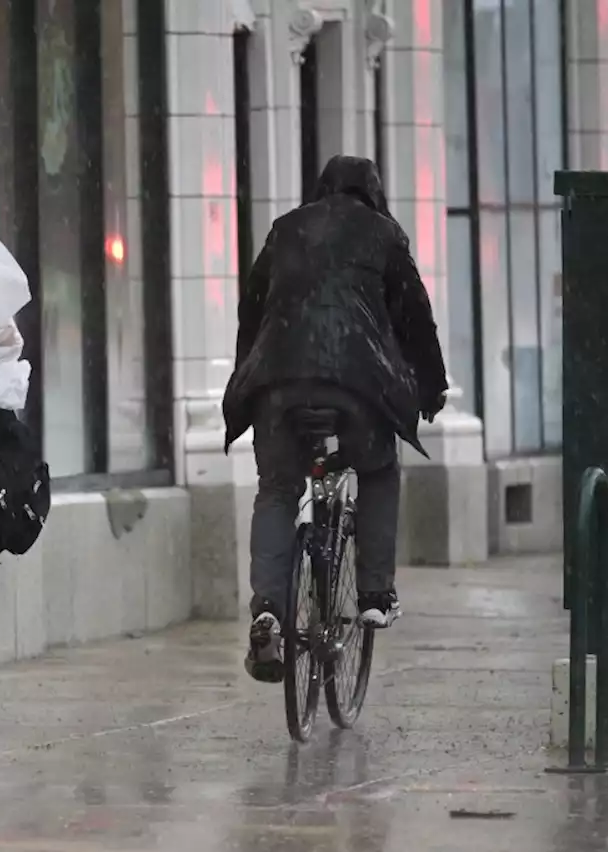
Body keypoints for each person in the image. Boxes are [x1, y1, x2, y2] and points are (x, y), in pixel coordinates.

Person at [222, 155, 448, 684]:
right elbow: (416, 320)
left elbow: (250, 311)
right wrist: (431, 388)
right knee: (377, 470)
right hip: (357, 388)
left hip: (277, 385)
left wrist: (249, 374)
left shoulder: (286, 229)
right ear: (373, 192)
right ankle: (373, 594)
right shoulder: (384, 236)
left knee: (278, 490)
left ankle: (269, 611)